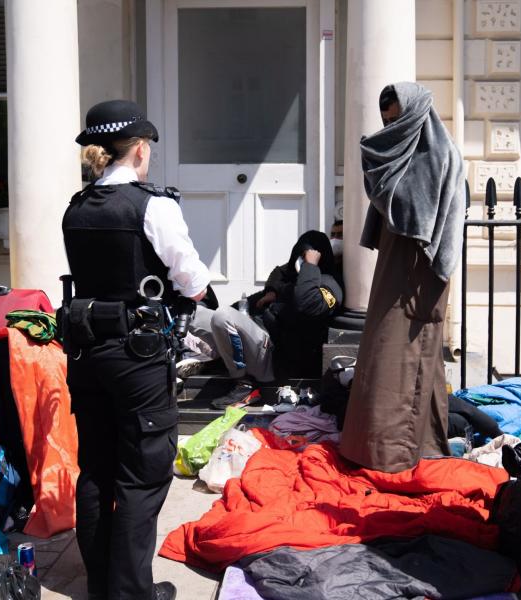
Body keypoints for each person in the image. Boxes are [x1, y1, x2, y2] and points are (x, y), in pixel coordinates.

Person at [64, 99, 211, 600]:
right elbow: (192, 281)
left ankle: (103, 585)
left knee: (97, 469)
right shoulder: (153, 206)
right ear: (140, 150)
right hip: (136, 356)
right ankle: (130, 594)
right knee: (143, 475)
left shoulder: (75, 208)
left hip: (85, 356)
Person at [339, 82, 466, 473]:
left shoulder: (439, 156)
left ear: (415, 116)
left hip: (419, 270)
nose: (391, 127)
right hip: (394, 263)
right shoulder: (399, 154)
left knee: (401, 356)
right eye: (386, 120)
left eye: (398, 119)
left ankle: (389, 452)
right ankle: (423, 443)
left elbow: (425, 214)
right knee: (397, 354)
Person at [189, 230, 343, 405]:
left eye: (306, 257)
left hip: (273, 357)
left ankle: (244, 385)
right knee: (194, 314)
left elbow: (307, 302)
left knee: (223, 316)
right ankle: (214, 356)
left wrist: (311, 266)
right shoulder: (290, 282)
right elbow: (282, 273)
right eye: (301, 256)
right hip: (258, 340)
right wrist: (273, 291)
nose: (302, 261)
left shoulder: (330, 284)